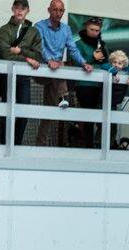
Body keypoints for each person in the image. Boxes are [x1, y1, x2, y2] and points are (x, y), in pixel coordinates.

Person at [33, 0, 92, 146]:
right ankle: (64, 97)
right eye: (55, 10)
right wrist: (49, 61)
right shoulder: (39, 26)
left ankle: (39, 145)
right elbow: (39, 47)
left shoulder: (66, 29)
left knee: (49, 110)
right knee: (61, 69)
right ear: (49, 10)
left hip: (56, 74)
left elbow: (73, 49)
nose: (58, 13)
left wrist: (84, 63)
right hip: (42, 70)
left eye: (61, 10)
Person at [0, 0, 42, 146]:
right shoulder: (4, 29)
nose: (20, 11)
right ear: (12, 9)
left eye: (23, 8)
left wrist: (21, 51)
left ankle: (17, 145)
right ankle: (5, 144)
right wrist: (27, 58)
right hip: (8, 76)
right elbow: (5, 53)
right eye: (17, 8)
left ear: (28, 10)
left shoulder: (34, 31)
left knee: (23, 112)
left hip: (24, 78)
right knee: (7, 112)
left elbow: (38, 56)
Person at [73, 16, 110, 147]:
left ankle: (101, 144)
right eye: (92, 29)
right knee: (88, 116)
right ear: (86, 28)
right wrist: (92, 57)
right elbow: (77, 63)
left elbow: (107, 63)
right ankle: (87, 145)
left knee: (102, 116)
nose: (94, 32)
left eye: (97, 30)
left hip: (101, 85)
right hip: (84, 85)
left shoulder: (102, 45)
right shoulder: (78, 44)